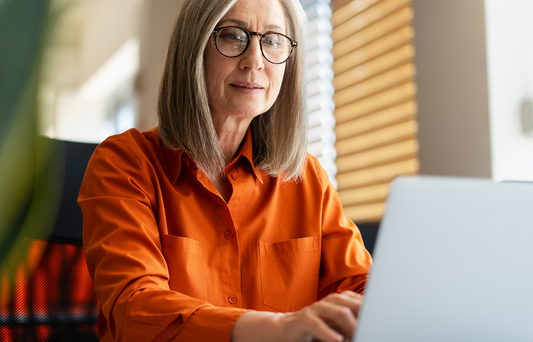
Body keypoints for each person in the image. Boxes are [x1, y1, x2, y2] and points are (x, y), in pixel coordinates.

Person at [78, 0, 372, 341]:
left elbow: (362, 291)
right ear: (195, 47)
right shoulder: (124, 163)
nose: (255, 61)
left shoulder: (307, 177)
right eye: (233, 36)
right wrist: (276, 329)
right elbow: (136, 309)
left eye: (274, 40)